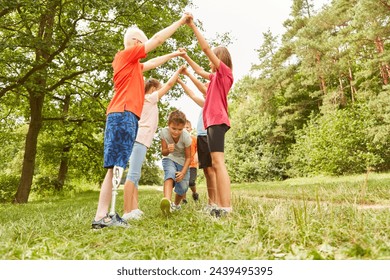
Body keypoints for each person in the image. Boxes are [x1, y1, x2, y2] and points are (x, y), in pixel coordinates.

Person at [91, 13, 193, 229]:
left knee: (114, 167)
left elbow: (154, 61)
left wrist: (175, 54)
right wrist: (180, 21)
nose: (144, 46)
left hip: (125, 116)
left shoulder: (133, 66)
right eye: (142, 43)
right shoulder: (125, 55)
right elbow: (157, 39)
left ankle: (104, 215)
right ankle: (103, 217)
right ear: (136, 43)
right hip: (122, 114)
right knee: (115, 167)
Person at [183, 18, 233, 217]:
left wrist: (192, 26)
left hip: (219, 120)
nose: (209, 62)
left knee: (218, 163)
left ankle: (226, 206)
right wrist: (186, 59)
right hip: (212, 122)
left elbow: (205, 49)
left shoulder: (225, 73)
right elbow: (198, 71)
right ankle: (219, 205)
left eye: (213, 58)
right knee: (215, 161)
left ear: (219, 59)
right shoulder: (213, 78)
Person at [122, 65, 185, 221]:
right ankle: (126, 211)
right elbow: (170, 85)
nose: (161, 90)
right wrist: (178, 71)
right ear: (153, 89)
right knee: (133, 174)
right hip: (140, 139)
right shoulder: (149, 98)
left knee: (135, 176)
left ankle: (134, 208)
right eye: (159, 88)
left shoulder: (145, 101)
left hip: (141, 140)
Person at [177, 75, 217, 210]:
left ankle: (214, 202)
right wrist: (180, 81)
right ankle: (211, 202)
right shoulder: (205, 103)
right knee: (207, 171)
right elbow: (192, 94)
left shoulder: (213, 100)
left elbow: (194, 93)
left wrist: (187, 75)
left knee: (210, 171)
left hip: (207, 135)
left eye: (206, 85)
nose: (203, 88)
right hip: (201, 136)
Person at [160, 110, 192, 215]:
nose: (176, 132)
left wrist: (183, 172)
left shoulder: (186, 137)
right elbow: (163, 153)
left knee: (183, 187)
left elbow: (188, 157)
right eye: (173, 128)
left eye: (180, 129)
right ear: (168, 124)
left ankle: (176, 204)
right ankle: (167, 201)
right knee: (169, 174)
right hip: (169, 158)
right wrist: (168, 150)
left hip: (183, 161)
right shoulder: (164, 133)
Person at [182, 120, 199, 204]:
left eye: (187, 127)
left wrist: (196, 155)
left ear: (190, 129)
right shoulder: (180, 140)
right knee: (183, 182)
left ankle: (194, 193)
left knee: (191, 182)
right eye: (183, 127)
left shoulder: (194, 139)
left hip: (192, 165)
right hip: (182, 165)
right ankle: (184, 199)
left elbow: (198, 149)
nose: (185, 129)